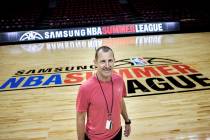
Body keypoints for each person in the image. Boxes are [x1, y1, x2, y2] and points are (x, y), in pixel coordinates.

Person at [76, 46, 131, 140]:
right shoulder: (85, 88)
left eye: (110, 60)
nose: (107, 65)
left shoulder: (119, 80)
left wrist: (127, 121)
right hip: (95, 138)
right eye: (102, 61)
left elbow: (120, 101)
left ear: (114, 61)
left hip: (117, 133)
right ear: (95, 63)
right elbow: (80, 118)